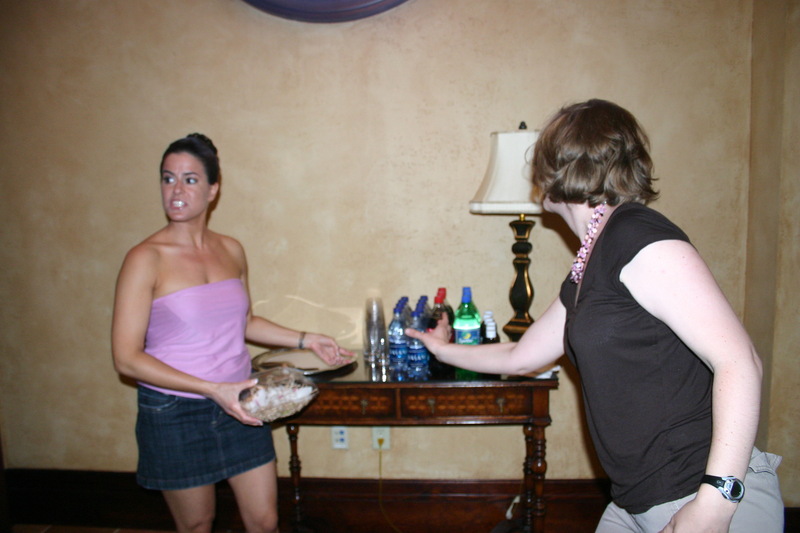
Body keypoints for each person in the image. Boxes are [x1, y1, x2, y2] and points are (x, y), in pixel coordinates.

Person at [407, 100, 783, 533]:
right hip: (636, 499)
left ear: (557, 170)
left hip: (698, 494)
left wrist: (714, 503)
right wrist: (442, 349)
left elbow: (739, 361)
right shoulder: (591, 261)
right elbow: (521, 357)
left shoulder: (638, 237)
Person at [111, 133, 353, 533]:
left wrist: (307, 338)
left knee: (264, 521)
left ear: (213, 190)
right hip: (175, 411)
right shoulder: (144, 258)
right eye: (168, 178)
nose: (176, 189)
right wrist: (211, 389)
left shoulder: (231, 250)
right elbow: (126, 358)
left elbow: (243, 322)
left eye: (190, 179)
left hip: (241, 401)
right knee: (198, 524)